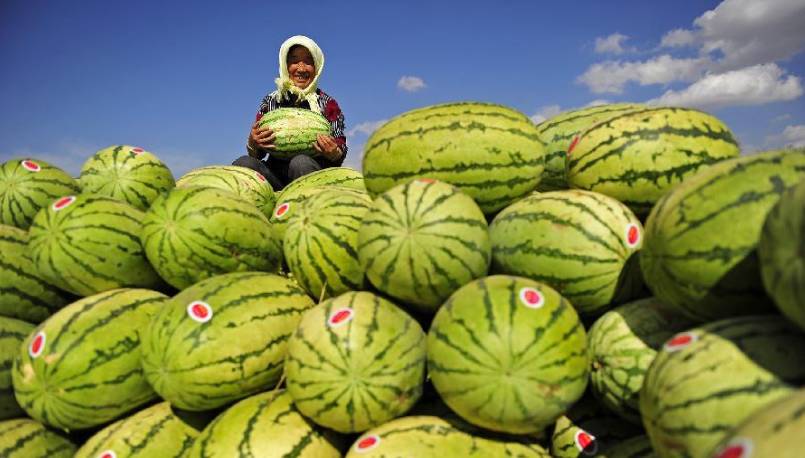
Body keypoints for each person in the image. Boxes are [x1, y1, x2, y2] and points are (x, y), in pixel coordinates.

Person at [233, 35, 347, 191]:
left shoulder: (327, 103)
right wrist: (254, 143)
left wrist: (334, 152)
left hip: (310, 173)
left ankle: (309, 203)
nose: (301, 68)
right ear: (285, 66)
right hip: (275, 177)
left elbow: (341, 148)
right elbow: (258, 155)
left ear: (317, 67)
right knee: (244, 163)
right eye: (294, 61)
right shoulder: (271, 101)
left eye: (308, 61)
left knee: (300, 162)